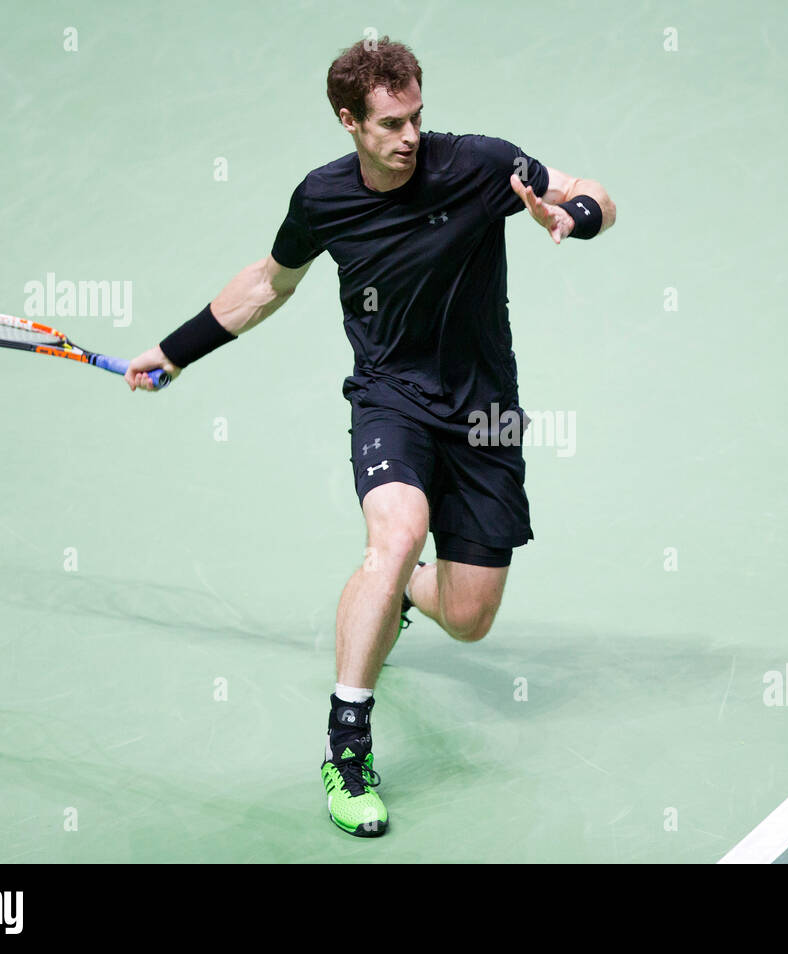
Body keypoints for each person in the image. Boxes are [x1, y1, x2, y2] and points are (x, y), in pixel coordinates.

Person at [124, 36, 616, 837]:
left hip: (486, 411)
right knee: (392, 537)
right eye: (390, 122)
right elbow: (267, 284)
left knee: (470, 616)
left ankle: (397, 596)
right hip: (392, 397)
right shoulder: (322, 199)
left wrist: (576, 214)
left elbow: (591, 190)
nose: (410, 135)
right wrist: (176, 351)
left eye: (417, 115)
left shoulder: (481, 165)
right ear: (349, 120)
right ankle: (346, 747)